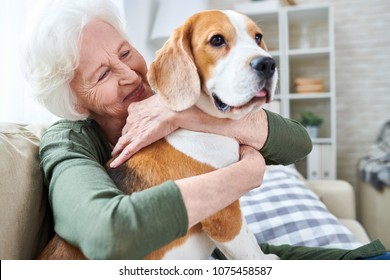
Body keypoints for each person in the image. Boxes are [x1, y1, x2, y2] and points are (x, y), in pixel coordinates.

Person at [24, 0, 312, 260]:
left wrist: (181, 116)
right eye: (103, 74)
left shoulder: (177, 95)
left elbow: (298, 144)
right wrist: (244, 175)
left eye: (125, 53)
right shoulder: (67, 141)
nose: (129, 75)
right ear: (76, 103)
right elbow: (106, 234)